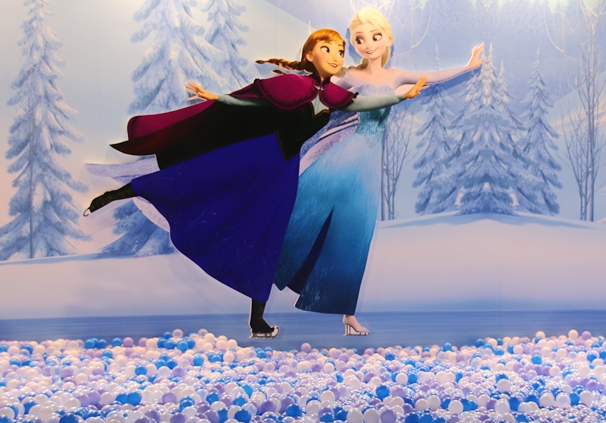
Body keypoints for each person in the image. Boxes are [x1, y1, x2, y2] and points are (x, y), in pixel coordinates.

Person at [84, 28, 427, 339]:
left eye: (340, 50)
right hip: (259, 154)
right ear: (310, 54)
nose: (337, 55)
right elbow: (250, 102)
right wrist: (215, 97)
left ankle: (257, 321)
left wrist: (402, 96)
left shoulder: (334, 95)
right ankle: (120, 192)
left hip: (283, 173)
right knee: (195, 176)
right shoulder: (292, 85)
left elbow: (366, 102)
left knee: (268, 240)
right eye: (328, 48)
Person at [273, 8, 483, 336]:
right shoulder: (348, 77)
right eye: (359, 39)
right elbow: (318, 91)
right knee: (303, 216)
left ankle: (347, 314)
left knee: (354, 236)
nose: (368, 44)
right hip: (341, 154)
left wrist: (468, 67)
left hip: (368, 163)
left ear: (387, 39)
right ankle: (268, 271)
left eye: (375, 36)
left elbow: (432, 76)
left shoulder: (395, 75)